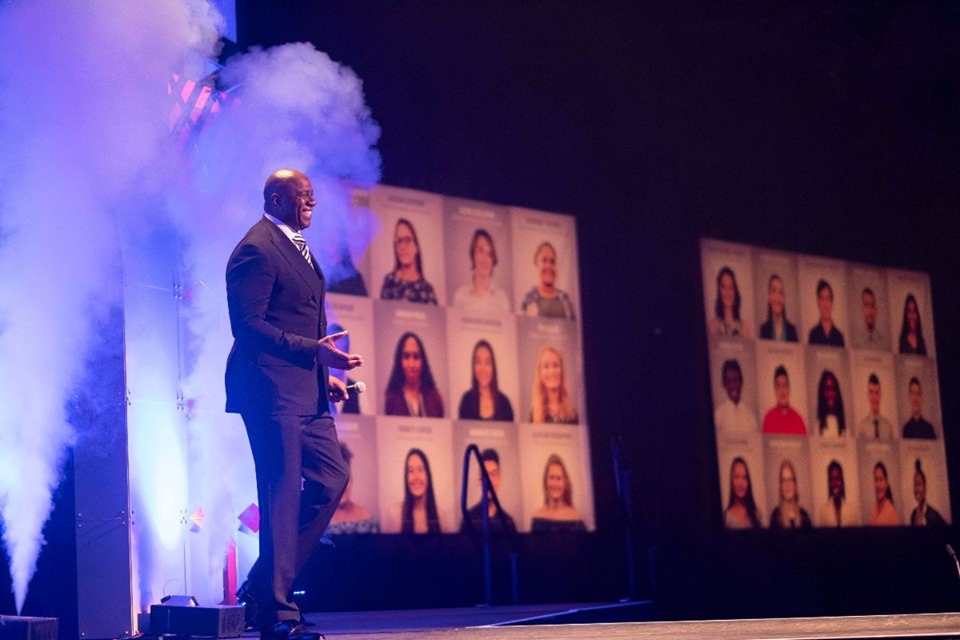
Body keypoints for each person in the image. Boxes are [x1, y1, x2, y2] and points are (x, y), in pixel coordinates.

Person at [226, 169, 364, 640]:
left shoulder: (296, 247)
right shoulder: (256, 249)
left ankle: (262, 585)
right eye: (305, 196)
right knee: (282, 498)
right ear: (277, 198)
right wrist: (314, 353)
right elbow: (248, 328)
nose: (313, 203)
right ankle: (278, 618)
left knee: (332, 479)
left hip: (305, 393)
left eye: (312, 196)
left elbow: (301, 321)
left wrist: (324, 377)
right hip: (269, 393)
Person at [384, 332, 444, 417]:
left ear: (423, 361)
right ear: (399, 361)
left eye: (416, 357)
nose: (411, 364)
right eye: (406, 356)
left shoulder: (435, 399)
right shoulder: (392, 399)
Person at [379, 218, 438, 304]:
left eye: (407, 240)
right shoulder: (389, 281)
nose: (402, 246)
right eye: (398, 241)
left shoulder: (427, 290)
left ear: (416, 247)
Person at [459, 448, 517, 534]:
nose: (490, 480)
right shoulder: (469, 519)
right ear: (479, 480)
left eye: (493, 474)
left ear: (499, 479)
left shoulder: (508, 522)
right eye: (485, 474)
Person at [452, 229, 510, 313]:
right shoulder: (460, 296)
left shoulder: (501, 299)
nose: (485, 259)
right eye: (480, 251)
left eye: (489, 254)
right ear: (473, 255)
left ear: (493, 260)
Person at [327, 443, 379, 534]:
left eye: (345, 478)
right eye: (336, 478)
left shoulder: (368, 519)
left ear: (351, 480)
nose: (342, 485)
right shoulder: (317, 525)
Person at [457, 340, 514, 421]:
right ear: (473, 366)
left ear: (493, 367)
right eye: (478, 362)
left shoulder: (505, 403)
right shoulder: (466, 401)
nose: (482, 368)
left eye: (487, 362)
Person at [520, 241, 577, 320]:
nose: (549, 265)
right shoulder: (528, 299)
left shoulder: (566, 300)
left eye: (552, 262)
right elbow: (522, 329)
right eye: (544, 260)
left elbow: (573, 330)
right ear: (537, 264)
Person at [531, 454, 586, 532]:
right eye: (551, 477)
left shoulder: (576, 518)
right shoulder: (537, 517)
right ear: (545, 482)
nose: (555, 483)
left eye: (559, 478)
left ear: (565, 482)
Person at [529, 345, 578, 424]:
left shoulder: (572, 414)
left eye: (555, 365)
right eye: (546, 366)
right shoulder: (534, 415)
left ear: (561, 371)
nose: (551, 372)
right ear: (540, 374)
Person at [316, 225, 367, 296]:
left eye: (335, 234)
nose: (331, 238)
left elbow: (363, 305)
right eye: (327, 233)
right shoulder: (313, 274)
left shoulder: (354, 278)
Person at [400, 448, 442, 534]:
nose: (416, 477)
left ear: (428, 476)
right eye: (411, 471)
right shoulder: (395, 515)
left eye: (420, 470)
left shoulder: (442, 516)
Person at [713, 359, 759, 433]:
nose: (732, 385)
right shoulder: (718, 416)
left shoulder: (750, 416)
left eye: (735, 380)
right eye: (729, 381)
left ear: (741, 382)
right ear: (725, 385)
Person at [707, 266, 752, 338]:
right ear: (719, 291)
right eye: (723, 287)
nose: (727, 292)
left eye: (730, 287)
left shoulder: (744, 328)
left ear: (735, 291)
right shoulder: (712, 326)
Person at [762, 365, 807, 435]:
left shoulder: (798, 420)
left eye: (785, 385)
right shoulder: (768, 419)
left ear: (789, 389)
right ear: (775, 389)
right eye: (779, 386)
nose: (782, 390)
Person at [769, 459, 812, 530]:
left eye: (790, 479)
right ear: (780, 487)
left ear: (795, 484)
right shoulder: (775, 516)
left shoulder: (804, 516)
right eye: (784, 480)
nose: (787, 485)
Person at [326, 324, 359, 415]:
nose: (340, 356)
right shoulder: (316, 385)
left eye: (344, 350)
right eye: (335, 352)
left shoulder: (356, 388)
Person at [723, 457, 762, 529]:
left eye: (744, 477)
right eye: (737, 477)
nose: (741, 483)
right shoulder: (726, 518)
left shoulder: (756, 514)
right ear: (731, 482)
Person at [758, 274, 798, 342]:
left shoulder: (792, 330)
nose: (777, 297)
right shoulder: (763, 330)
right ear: (769, 297)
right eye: (773, 291)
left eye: (781, 292)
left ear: (784, 299)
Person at [910, 459, 947, 527]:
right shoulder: (913, 514)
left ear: (925, 487)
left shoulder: (934, 516)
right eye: (915, 485)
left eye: (919, 484)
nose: (916, 489)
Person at [808, 279, 845, 346]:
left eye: (828, 299)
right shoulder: (813, 334)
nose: (825, 304)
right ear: (818, 302)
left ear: (832, 303)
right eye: (822, 299)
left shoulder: (839, 336)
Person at [857, 374, 893, 440]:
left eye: (876, 393)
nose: (874, 397)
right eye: (871, 392)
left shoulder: (888, 427)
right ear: (867, 396)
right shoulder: (862, 427)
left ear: (880, 395)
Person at [815, 370, 846, 438]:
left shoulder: (845, 428)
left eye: (832, 389)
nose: (830, 394)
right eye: (827, 389)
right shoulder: (817, 427)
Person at [868, 462, 900, 526]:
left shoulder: (891, 513)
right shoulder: (874, 508)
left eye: (880, 480)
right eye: (876, 480)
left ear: (886, 483)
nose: (878, 485)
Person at [819, 460, 847, 527]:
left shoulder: (852, 511)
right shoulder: (823, 512)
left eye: (837, 478)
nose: (835, 483)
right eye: (832, 479)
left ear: (842, 482)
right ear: (829, 483)